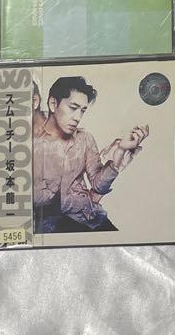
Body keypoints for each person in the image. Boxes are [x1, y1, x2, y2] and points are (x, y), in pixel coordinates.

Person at [32, 75, 148, 233]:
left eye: (83, 110)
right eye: (73, 108)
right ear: (53, 104)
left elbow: (98, 184)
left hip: (88, 217)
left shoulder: (85, 138)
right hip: (49, 227)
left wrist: (121, 150)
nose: (78, 117)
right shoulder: (32, 142)